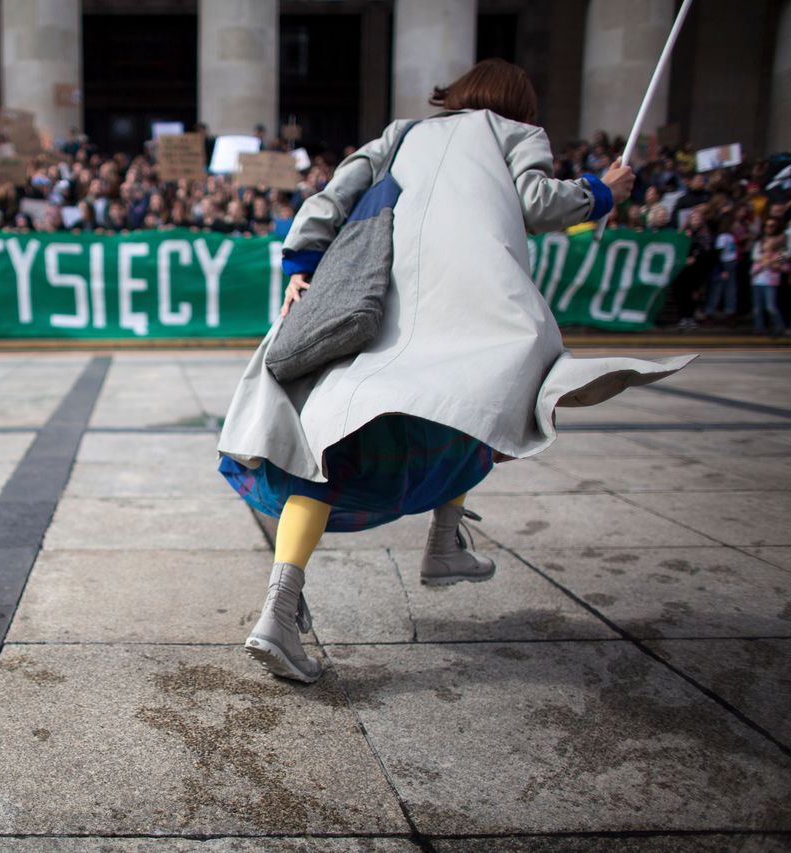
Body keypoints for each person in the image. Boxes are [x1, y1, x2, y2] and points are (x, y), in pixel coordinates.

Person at [217, 59, 694, 684]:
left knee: (327, 441)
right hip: (454, 307)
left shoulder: (402, 132)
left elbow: (332, 195)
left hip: (369, 302)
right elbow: (539, 202)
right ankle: (444, 543)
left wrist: (301, 262)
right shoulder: (518, 135)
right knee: (485, 399)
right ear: (518, 103)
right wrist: (603, 190)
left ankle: (279, 612)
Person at [751, 219, 786, 337]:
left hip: (770, 283)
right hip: (758, 282)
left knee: (770, 307)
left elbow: (784, 266)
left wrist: (772, 262)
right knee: (757, 308)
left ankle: (779, 325)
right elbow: (753, 270)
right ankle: (759, 328)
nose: (766, 244)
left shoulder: (778, 254)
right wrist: (761, 265)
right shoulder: (760, 256)